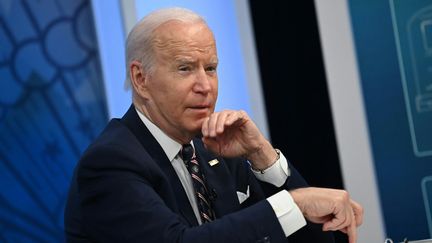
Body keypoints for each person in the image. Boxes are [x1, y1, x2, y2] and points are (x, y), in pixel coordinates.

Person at [64, 7, 363, 243]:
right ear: (141, 79)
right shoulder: (110, 163)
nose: (205, 86)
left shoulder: (214, 149)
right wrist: (294, 203)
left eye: (211, 68)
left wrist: (262, 155)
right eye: (185, 69)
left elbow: (313, 241)